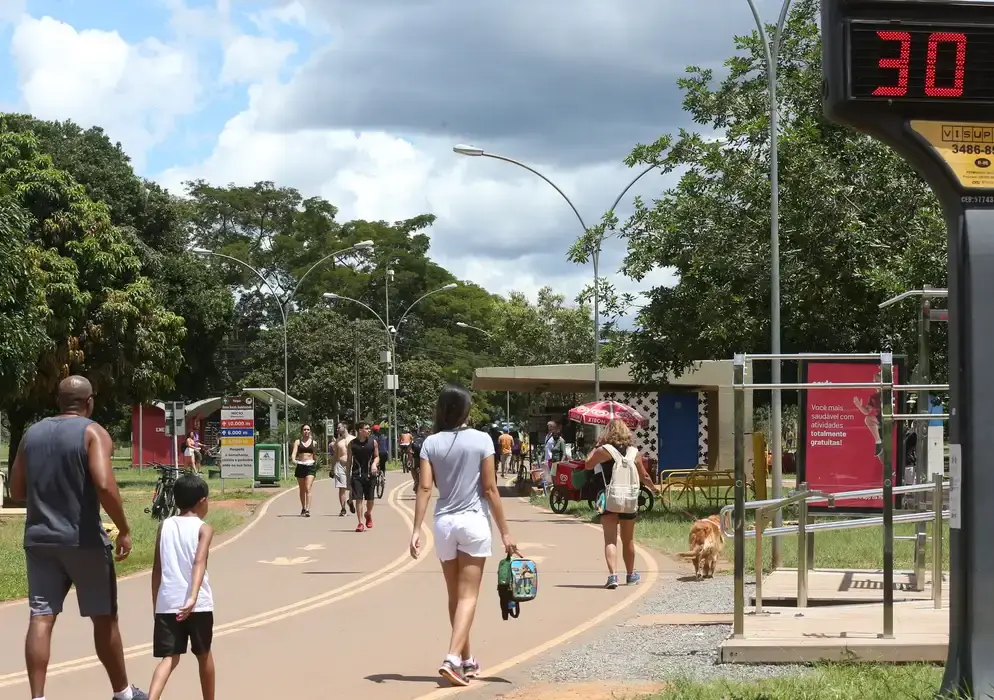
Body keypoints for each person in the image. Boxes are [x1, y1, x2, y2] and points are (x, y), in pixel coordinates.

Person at [8, 375, 149, 700]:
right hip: (83, 540)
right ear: (89, 402)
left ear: (58, 401)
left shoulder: (32, 434)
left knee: (41, 616)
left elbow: (16, 490)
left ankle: (38, 697)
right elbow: (103, 483)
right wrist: (123, 528)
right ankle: (123, 693)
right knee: (104, 617)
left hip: (40, 540)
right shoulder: (92, 432)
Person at [410, 384, 518, 687]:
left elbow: (425, 488)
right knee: (469, 596)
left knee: (455, 597)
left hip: (444, 523)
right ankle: (452, 658)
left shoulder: (430, 442)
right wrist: (506, 532)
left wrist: (416, 529)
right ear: (466, 410)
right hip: (473, 522)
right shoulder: (482, 440)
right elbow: (490, 488)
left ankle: (467, 661)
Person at [148, 474, 215, 700]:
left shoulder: (164, 526)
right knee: (204, 654)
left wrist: (156, 604)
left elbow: (156, 570)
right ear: (202, 500)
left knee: (169, 658)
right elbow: (199, 561)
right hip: (198, 605)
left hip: (168, 603)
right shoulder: (204, 528)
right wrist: (193, 596)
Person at [583, 419, 656, 589]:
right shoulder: (634, 452)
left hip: (608, 499)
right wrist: (654, 489)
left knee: (610, 540)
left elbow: (587, 465)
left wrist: (596, 445)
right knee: (628, 539)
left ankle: (613, 576)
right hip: (629, 500)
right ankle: (631, 575)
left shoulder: (603, 451)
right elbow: (644, 476)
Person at [349, 422, 379, 532]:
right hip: (357, 474)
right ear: (360, 430)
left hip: (370, 474)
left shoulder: (373, 442)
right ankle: (360, 522)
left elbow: (377, 457)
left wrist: (374, 464)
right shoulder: (352, 444)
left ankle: (368, 513)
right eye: (366, 428)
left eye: (369, 428)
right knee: (358, 498)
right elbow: (349, 462)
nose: (369, 430)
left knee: (370, 499)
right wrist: (349, 478)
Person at [291, 425, 317, 517]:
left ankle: (308, 510)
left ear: (310, 431)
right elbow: (294, 453)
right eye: (304, 429)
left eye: (308, 429)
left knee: (307, 487)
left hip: (310, 466)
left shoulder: (313, 443)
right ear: (302, 431)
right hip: (301, 466)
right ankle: (303, 507)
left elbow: (315, 455)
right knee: (302, 489)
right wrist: (294, 460)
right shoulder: (298, 442)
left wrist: (314, 463)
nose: (306, 431)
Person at [332, 424, 355, 517]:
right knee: (342, 488)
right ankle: (343, 508)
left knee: (353, 487)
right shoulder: (338, 441)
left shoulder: (353, 439)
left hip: (352, 465)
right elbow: (335, 456)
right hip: (340, 465)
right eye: (337, 428)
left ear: (344, 428)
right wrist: (332, 468)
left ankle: (350, 501)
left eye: (339, 427)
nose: (337, 429)